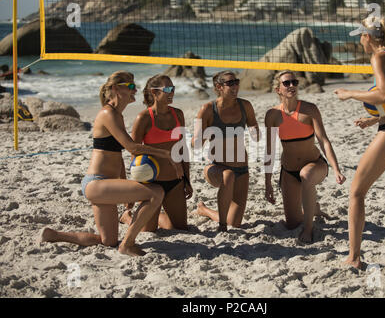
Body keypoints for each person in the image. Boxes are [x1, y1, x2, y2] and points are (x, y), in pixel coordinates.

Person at [40, 70, 184, 257]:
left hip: (105, 185)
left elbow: (117, 157)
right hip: (97, 183)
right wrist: (166, 154)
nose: (135, 90)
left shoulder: (117, 114)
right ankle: (128, 244)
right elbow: (132, 147)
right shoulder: (108, 113)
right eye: (131, 86)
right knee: (156, 192)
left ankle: (54, 235)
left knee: (107, 241)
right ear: (116, 89)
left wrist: (125, 186)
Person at [334, 17, 385, 272]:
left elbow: (382, 94)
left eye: (361, 35)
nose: (359, 40)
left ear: (368, 36)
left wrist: (350, 94)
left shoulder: (379, 58)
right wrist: (375, 119)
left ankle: (354, 257)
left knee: (357, 192)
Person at [265, 70, 346, 243]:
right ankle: (313, 209)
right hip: (288, 171)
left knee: (306, 175)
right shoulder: (272, 115)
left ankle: (309, 229)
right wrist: (267, 182)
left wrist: (336, 169)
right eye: (286, 83)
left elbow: (324, 141)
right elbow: (269, 150)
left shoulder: (309, 109)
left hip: (315, 165)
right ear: (278, 89)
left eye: (294, 82)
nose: (292, 86)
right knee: (292, 223)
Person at [120, 74, 192, 231]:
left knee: (180, 228)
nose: (171, 92)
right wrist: (136, 188)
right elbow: (135, 154)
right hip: (151, 183)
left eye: (173, 88)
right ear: (154, 92)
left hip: (175, 181)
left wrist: (187, 179)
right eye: (167, 89)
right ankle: (128, 217)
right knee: (148, 231)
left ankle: (154, 215)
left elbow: (183, 149)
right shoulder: (144, 118)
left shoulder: (178, 114)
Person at [193, 70, 259, 232]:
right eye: (230, 83)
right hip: (216, 167)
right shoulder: (208, 109)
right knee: (228, 175)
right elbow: (195, 144)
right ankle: (221, 226)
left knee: (235, 223)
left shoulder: (245, 105)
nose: (235, 86)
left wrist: (256, 131)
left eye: (236, 82)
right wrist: (202, 135)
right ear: (219, 87)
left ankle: (204, 210)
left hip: (242, 169)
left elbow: (254, 130)